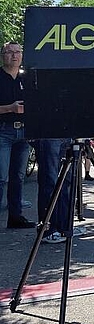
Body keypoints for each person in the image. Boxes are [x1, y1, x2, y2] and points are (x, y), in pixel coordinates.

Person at [0, 42, 35, 229]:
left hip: (24, 132)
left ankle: (15, 217)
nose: (14, 56)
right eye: (9, 52)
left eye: (17, 52)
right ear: (2, 55)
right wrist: (10, 108)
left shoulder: (27, 78)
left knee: (18, 176)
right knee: (1, 177)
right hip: (3, 130)